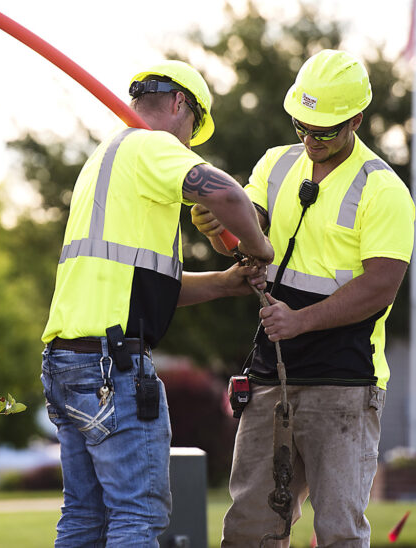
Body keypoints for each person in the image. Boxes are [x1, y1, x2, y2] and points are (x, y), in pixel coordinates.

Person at [41, 60, 275, 547]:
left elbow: (146, 286)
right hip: (111, 366)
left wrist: (226, 282)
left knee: (85, 518)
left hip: (69, 361)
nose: (188, 145)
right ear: (178, 105)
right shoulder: (152, 146)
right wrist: (260, 248)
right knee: (138, 516)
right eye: (192, 130)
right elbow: (228, 193)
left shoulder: (104, 159)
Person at [192, 50, 415, 548]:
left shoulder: (384, 192)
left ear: (356, 120)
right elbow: (250, 232)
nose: (311, 140)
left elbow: (381, 285)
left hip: (345, 383)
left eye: (325, 131)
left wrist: (300, 321)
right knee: (249, 529)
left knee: (338, 530)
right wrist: (218, 228)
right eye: (301, 127)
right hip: (272, 377)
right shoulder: (276, 164)